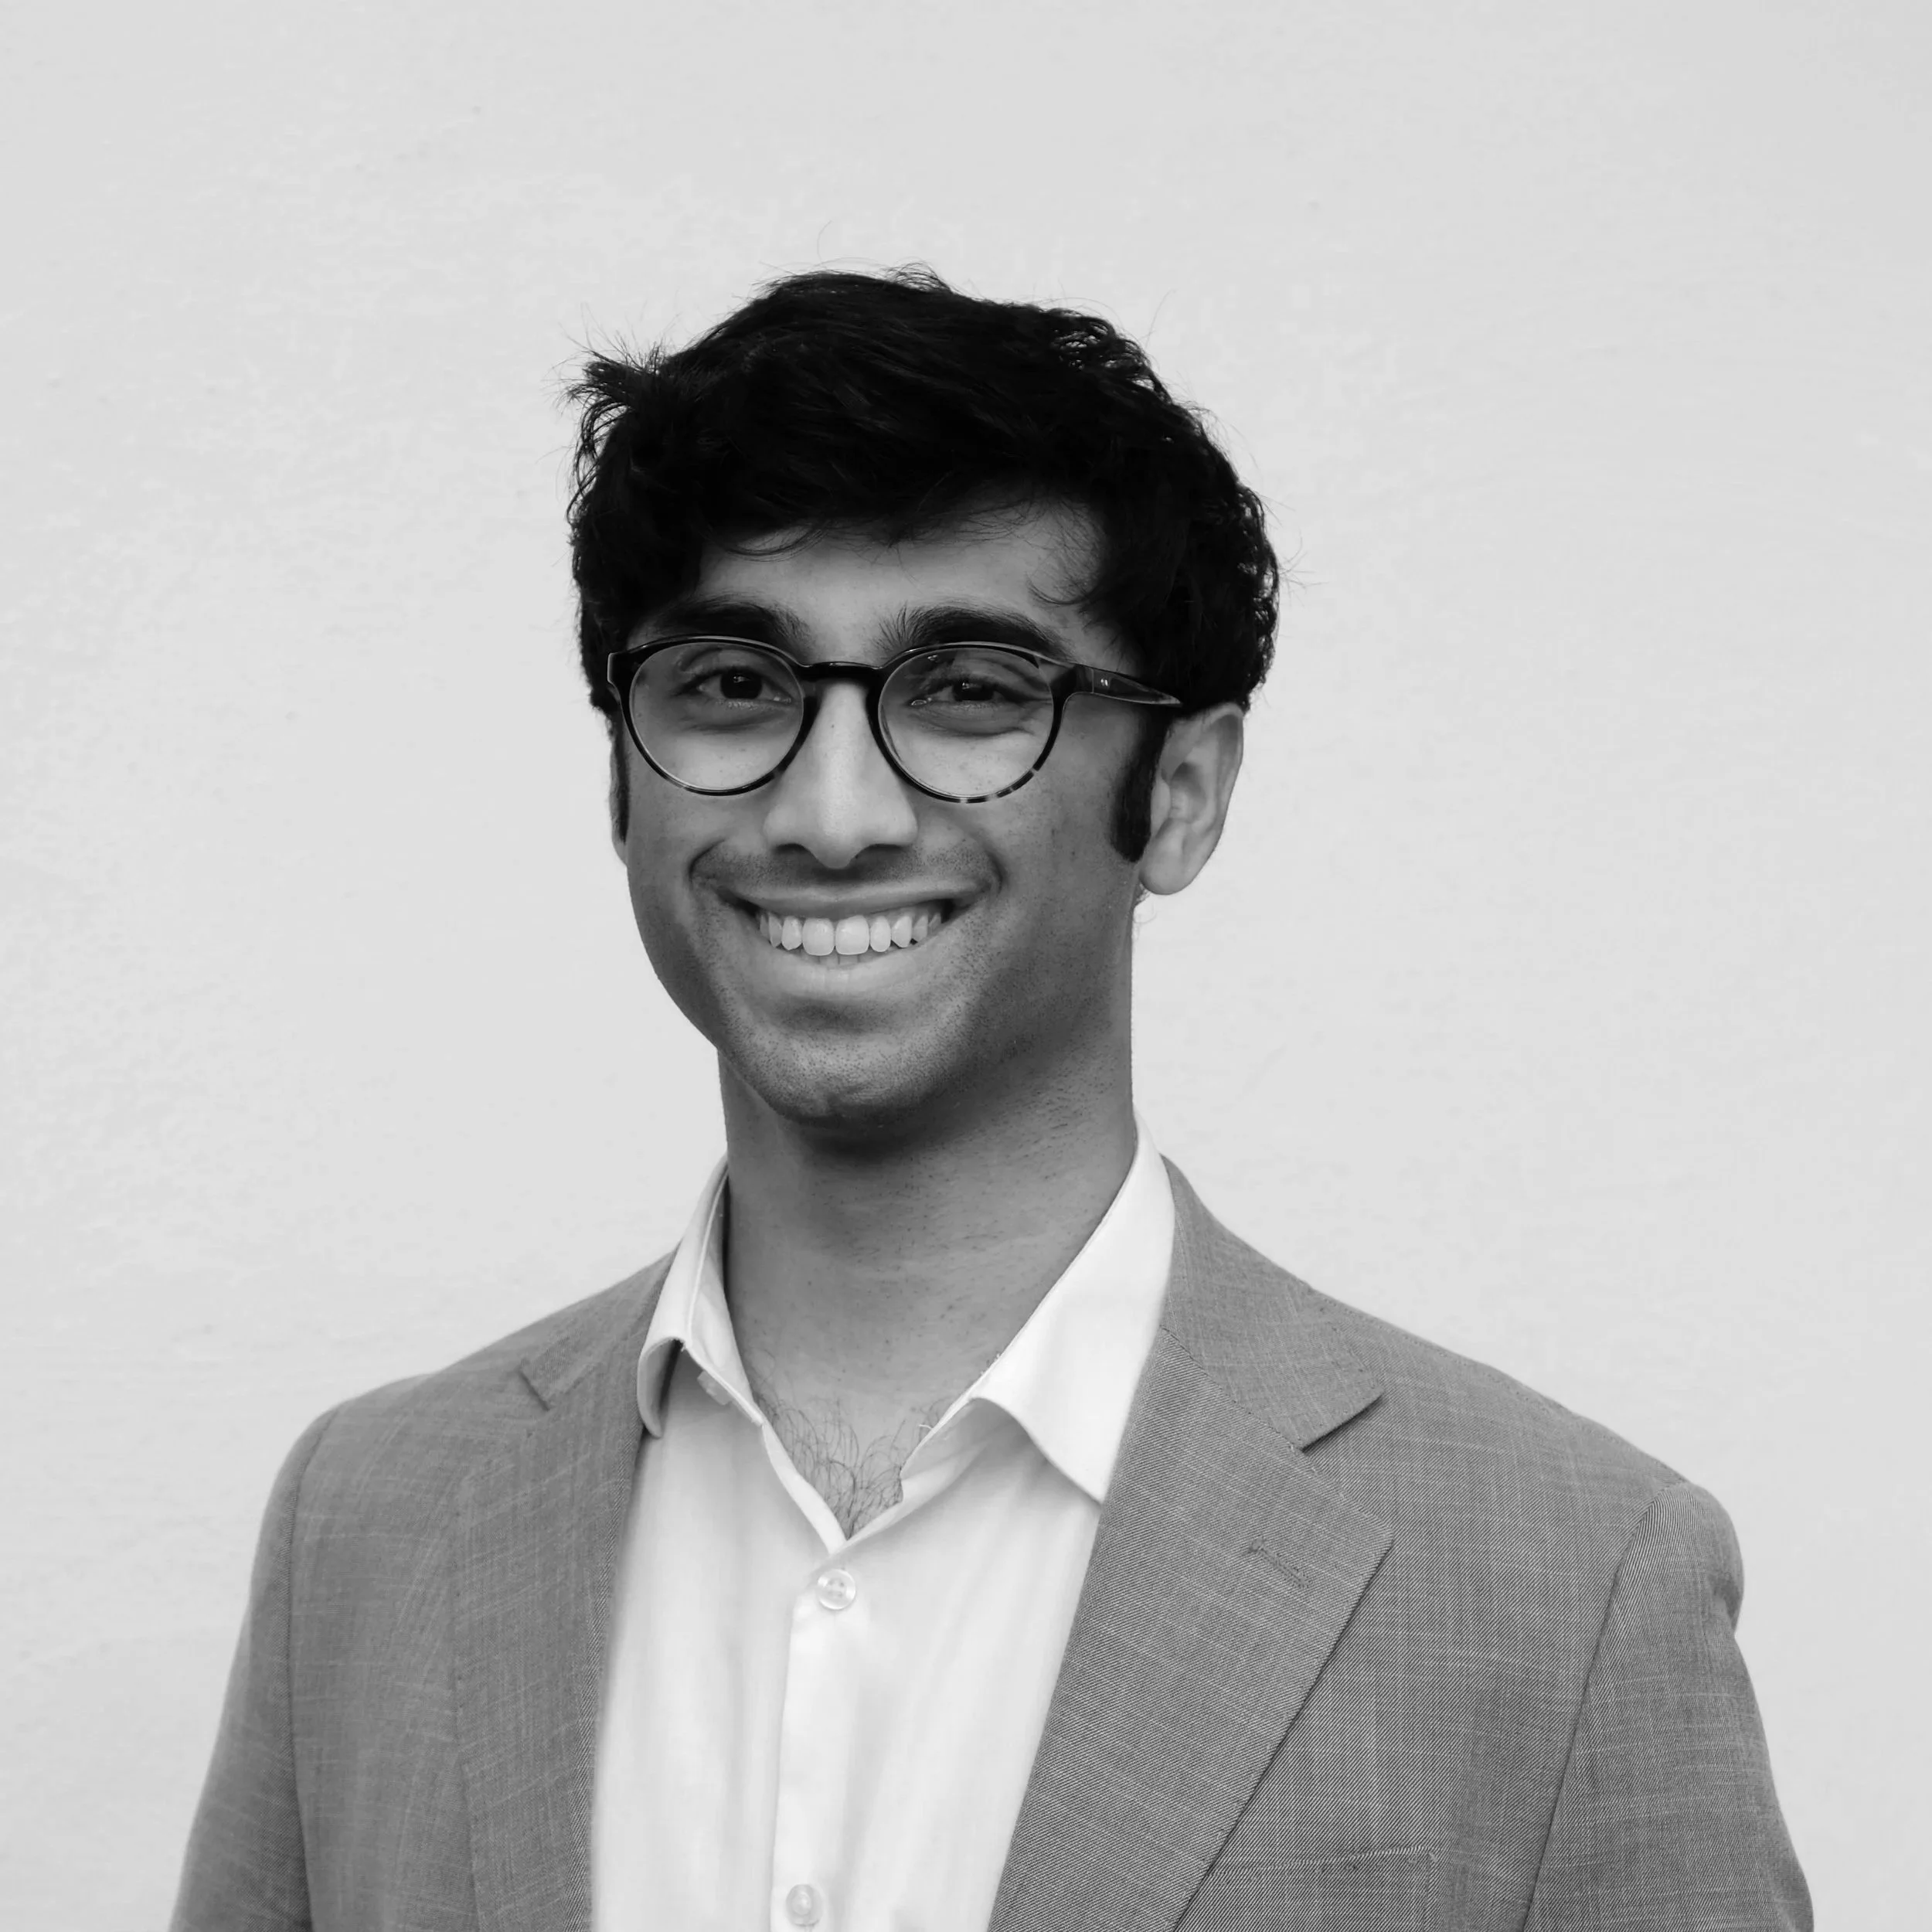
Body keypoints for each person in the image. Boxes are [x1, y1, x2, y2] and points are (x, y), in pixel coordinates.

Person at [172, 267, 1809, 1932]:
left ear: (1176, 795)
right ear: (618, 773)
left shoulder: (1567, 1575)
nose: (828, 812)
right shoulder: (368, 1521)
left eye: (968, 692)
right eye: (730, 682)